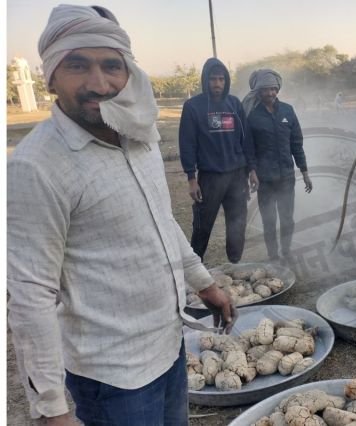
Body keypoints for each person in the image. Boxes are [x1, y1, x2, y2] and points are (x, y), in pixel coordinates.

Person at [7, 5, 235, 425]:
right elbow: (29, 296)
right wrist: (51, 409)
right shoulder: (35, 166)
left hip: (168, 344)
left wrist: (204, 284)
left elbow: (162, 223)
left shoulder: (139, 135)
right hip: (112, 377)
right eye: (78, 65)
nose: (99, 83)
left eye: (112, 66)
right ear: (51, 75)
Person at [179, 58, 258, 263]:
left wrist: (252, 169)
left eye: (221, 79)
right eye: (213, 79)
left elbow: (246, 139)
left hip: (237, 176)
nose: (217, 84)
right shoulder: (193, 106)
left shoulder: (234, 104)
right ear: (206, 80)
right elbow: (187, 144)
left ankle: (235, 264)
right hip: (210, 178)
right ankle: (196, 269)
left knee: (237, 223)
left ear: (226, 81)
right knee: (202, 225)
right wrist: (191, 178)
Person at [243, 69, 313, 262]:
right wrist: (252, 172)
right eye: (266, 90)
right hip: (264, 179)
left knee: (287, 218)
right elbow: (248, 147)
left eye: (274, 89)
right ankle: (273, 255)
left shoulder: (288, 111)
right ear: (258, 91)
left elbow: (296, 144)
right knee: (269, 219)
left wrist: (305, 171)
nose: (271, 93)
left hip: (286, 176)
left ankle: (286, 251)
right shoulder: (251, 115)